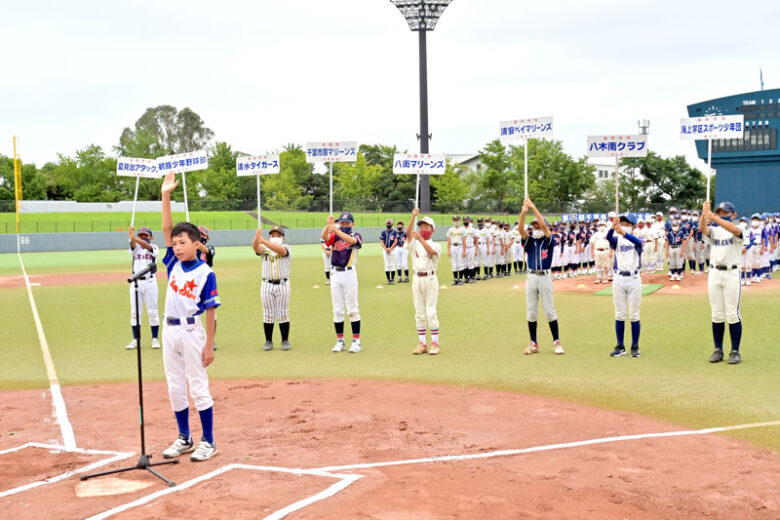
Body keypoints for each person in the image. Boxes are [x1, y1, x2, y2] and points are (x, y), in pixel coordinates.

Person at [159, 170, 220, 462]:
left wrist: (209, 344)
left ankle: (208, 440)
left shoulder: (205, 272)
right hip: (169, 330)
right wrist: (165, 195)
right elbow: (167, 228)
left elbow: (210, 311)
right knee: (174, 385)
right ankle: (185, 437)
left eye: (182, 242)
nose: (177, 246)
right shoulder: (172, 264)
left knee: (197, 384)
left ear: (196, 244)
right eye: (175, 243)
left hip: (192, 330)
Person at [700, 201, 745, 364]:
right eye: (719, 212)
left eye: (725, 212)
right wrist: (704, 215)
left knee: (732, 313)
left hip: (731, 273)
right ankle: (718, 349)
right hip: (714, 272)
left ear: (733, 214)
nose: (721, 214)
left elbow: (735, 230)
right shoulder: (716, 230)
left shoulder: (739, 228)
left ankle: (735, 351)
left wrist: (714, 217)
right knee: (717, 313)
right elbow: (703, 229)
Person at [519, 199, 564, 355]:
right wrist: (524, 213)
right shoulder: (530, 241)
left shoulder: (548, 241)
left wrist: (533, 207)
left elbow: (545, 227)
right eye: (534, 225)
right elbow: (520, 230)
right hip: (531, 277)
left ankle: (556, 341)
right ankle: (533, 343)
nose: (536, 227)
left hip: (544, 277)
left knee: (549, 311)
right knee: (531, 311)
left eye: (537, 225)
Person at [321, 212, 363, 353]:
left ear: (352, 224)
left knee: (352, 309)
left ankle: (356, 341)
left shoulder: (356, 235)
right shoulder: (335, 235)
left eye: (347, 223)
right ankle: (340, 340)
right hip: (335, 274)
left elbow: (352, 242)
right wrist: (329, 226)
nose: (345, 225)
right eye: (342, 223)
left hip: (349, 273)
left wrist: (337, 229)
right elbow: (324, 238)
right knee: (337, 309)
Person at [607, 214, 643, 358]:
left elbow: (637, 243)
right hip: (619, 278)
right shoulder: (617, 240)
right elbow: (609, 238)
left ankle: (635, 346)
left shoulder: (637, 239)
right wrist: (612, 227)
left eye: (627, 223)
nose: (624, 224)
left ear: (633, 226)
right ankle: (620, 346)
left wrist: (622, 231)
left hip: (634, 278)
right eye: (622, 222)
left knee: (634, 315)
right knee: (620, 314)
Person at [406, 209, 441, 355]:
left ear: (432, 230)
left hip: (430, 278)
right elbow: (407, 234)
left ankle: (435, 343)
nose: (423, 229)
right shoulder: (414, 243)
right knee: (419, 313)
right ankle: (422, 343)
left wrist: (420, 238)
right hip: (416, 279)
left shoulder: (436, 244)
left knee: (430, 312)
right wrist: (413, 216)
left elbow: (432, 252)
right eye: (421, 227)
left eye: (426, 227)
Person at [252, 226, 292, 351]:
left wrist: (264, 241)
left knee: (283, 313)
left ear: (283, 238)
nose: (275, 238)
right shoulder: (264, 249)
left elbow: (280, 251)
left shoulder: (287, 247)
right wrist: (256, 238)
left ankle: (285, 340)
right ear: (269, 237)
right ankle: (268, 340)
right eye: (273, 235)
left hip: (283, 284)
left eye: (278, 236)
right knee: (268, 314)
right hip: (267, 284)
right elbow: (256, 248)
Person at [126, 225, 160, 350]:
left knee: (152, 311)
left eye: (146, 235)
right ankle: (136, 340)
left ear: (151, 237)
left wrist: (134, 237)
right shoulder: (135, 248)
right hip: (136, 283)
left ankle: (155, 338)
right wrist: (132, 237)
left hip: (150, 282)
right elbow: (133, 246)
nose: (144, 237)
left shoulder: (154, 247)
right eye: (141, 235)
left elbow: (148, 247)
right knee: (135, 313)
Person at [197, 226, 218, 350]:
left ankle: (211, 340)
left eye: (202, 235)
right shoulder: (191, 248)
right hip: (194, 282)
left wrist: (196, 243)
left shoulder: (209, 248)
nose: (200, 236)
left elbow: (206, 251)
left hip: (207, 282)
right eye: (197, 234)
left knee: (212, 313)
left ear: (207, 237)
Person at [666, 216, 689, 281]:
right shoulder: (669, 234)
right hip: (671, 247)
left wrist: (682, 250)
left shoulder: (681, 233)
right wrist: (667, 251)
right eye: (673, 225)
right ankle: (673, 275)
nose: (674, 226)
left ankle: (679, 275)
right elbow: (667, 242)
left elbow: (684, 241)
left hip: (678, 247)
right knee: (672, 262)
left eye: (676, 225)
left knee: (679, 262)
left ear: (678, 226)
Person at [446, 216, 465, 285]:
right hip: (453, 246)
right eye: (454, 220)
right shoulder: (450, 230)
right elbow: (448, 240)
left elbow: (464, 240)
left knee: (460, 264)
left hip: (460, 247)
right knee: (454, 264)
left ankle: (460, 279)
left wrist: (464, 250)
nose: (455, 221)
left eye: (456, 220)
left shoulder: (462, 230)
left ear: (459, 221)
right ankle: (455, 279)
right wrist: (448, 250)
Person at [380, 218, 398, 285]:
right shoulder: (383, 232)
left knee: (392, 264)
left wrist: (390, 248)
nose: (388, 224)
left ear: (392, 224)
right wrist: (386, 249)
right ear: (386, 224)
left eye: (389, 223)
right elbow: (381, 242)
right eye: (388, 223)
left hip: (393, 250)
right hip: (385, 250)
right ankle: (388, 279)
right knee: (387, 265)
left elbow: (396, 241)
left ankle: (392, 279)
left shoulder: (395, 232)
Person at [462, 217, 477, 283]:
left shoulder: (472, 229)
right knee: (464, 264)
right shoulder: (461, 229)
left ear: (469, 221)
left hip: (471, 247)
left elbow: (475, 239)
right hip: (464, 248)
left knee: (470, 263)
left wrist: (476, 249)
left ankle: (471, 277)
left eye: (467, 220)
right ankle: (466, 277)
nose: (465, 221)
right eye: (464, 220)